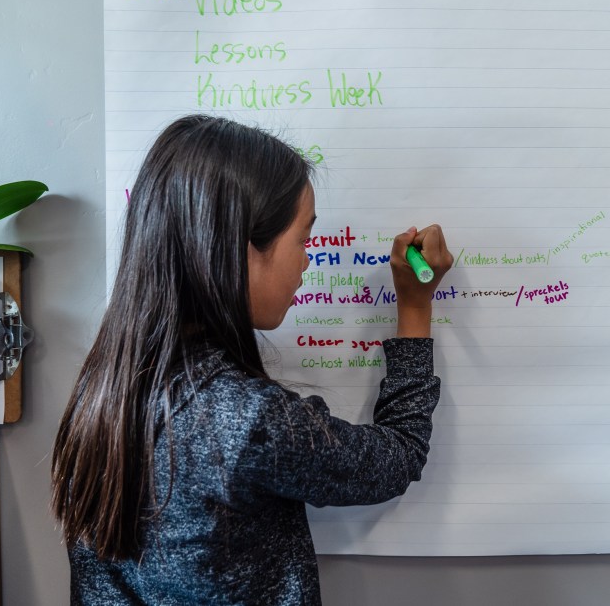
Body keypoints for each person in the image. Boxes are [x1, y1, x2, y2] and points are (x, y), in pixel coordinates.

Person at [51, 114, 453, 605]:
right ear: (242, 248)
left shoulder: (102, 390)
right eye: (304, 238)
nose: (308, 259)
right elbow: (397, 456)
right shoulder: (247, 421)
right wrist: (415, 305)